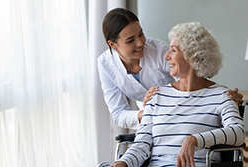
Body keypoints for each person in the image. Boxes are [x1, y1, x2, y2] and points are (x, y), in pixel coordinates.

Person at [108, 22, 245, 167]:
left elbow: (237, 133)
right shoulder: (157, 96)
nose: (166, 56)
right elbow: (141, 145)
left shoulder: (222, 96)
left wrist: (195, 140)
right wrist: (123, 162)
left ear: (192, 56)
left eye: (173, 50)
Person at [97, 8, 244, 130]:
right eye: (130, 40)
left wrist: (222, 96)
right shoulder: (105, 65)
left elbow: (190, 82)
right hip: (150, 123)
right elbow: (118, 114)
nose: (141, 43)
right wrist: (147, 113)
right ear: (113, 45)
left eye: (141, 34)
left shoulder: (158, 50)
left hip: (183, 116)